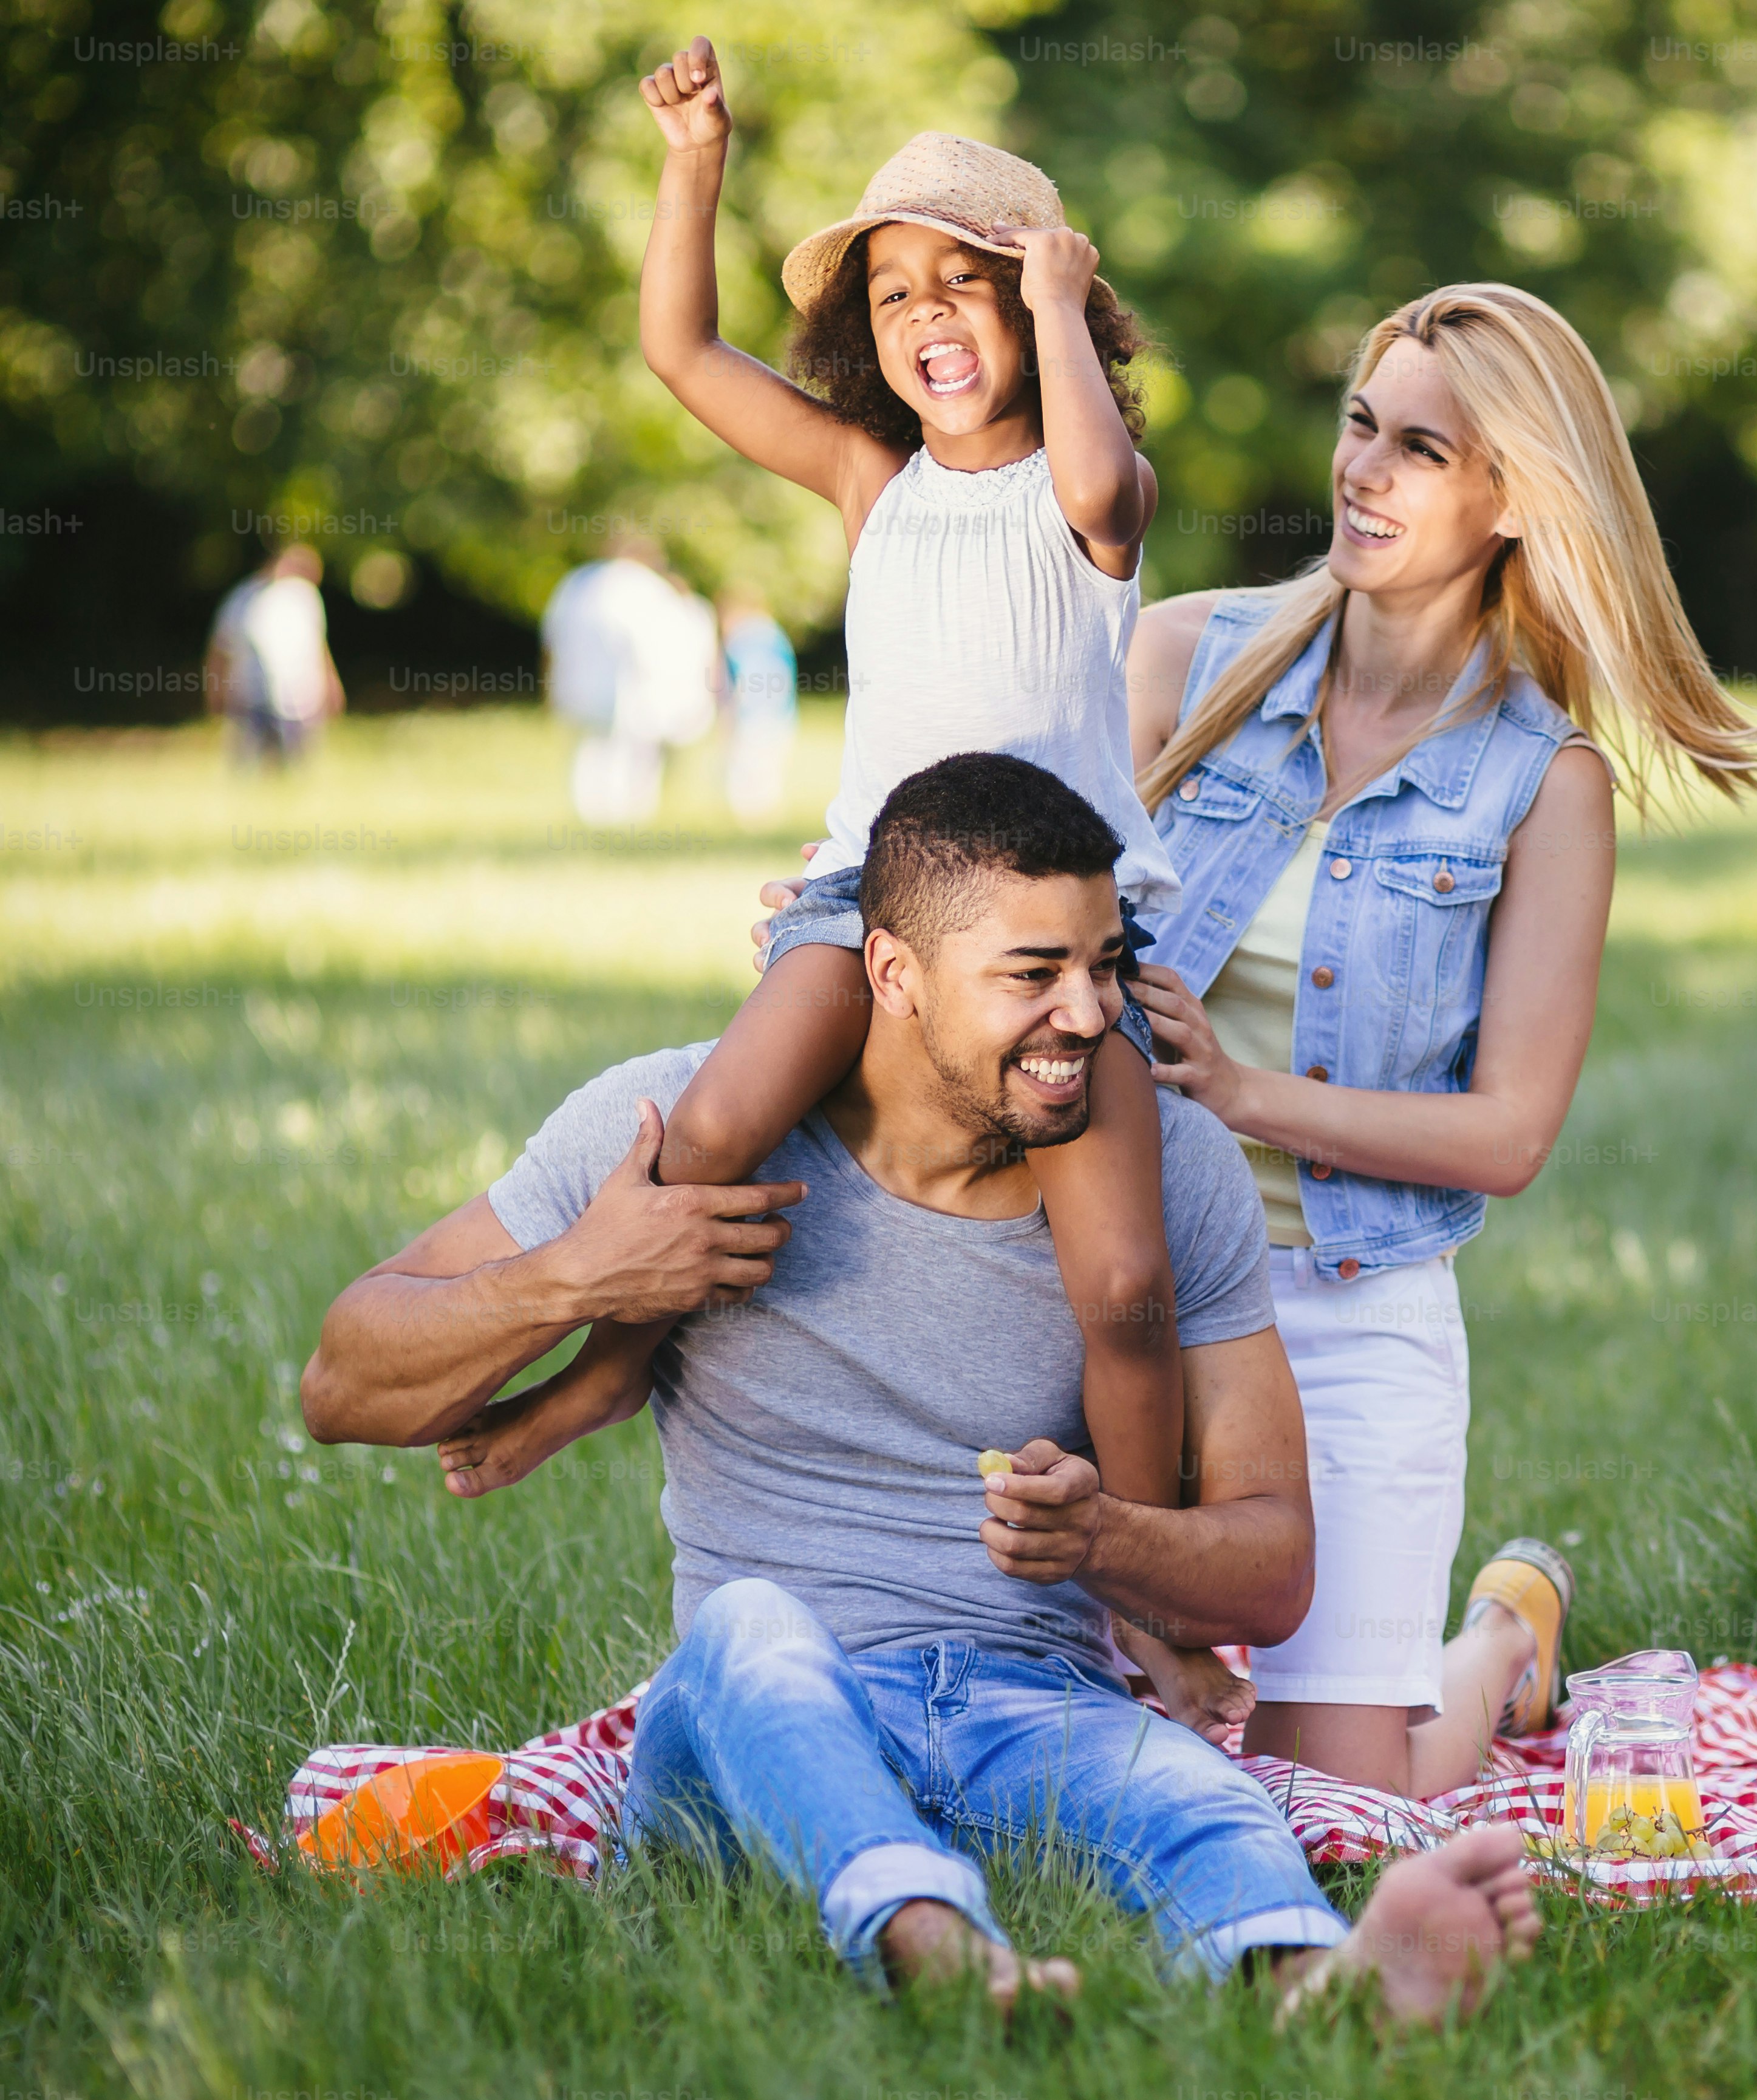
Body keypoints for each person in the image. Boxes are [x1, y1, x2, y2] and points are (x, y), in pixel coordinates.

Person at [296, 755, 1541, 2021]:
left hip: (1032, 1704)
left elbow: (1273, 1572)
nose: (1087, 1013)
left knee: (1188, 1788)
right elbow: (344, 1379)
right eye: (1032, 973)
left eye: (1104, 965)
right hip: (764, 1716)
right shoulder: (668, 1127)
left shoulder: (1175, 1169)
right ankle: (937, 1953)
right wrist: (575, 1276)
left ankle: (1316, 1977)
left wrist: (1106, 1536)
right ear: (892, 974)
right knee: (749, 1632)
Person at [455, 40, 1228, 1722]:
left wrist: (1065, 285)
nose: (933, 318)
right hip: (862, 906)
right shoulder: (871, 484)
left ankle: (1146, 1591)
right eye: (896, 296)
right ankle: (606, 1373)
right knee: (715, 1134)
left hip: (1060, 943)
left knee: (1123, 1285)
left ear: (1048, 311)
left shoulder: (1085, 493)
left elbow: (1100, 484)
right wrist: (694, 165)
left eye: (974, 283)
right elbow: (675, 346)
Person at [1113, 284, 1757, 1794]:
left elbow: (1509, 1137)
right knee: (1095, 1747)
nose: (1363, 471)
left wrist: (1246, 1092)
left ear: (1512, 498)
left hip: (1355, 1309)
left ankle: (1497, 1642)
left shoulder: (1541, 782)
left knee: (1337, 1799)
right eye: (1363, 423)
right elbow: (1006, 890)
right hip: (1126, 1297)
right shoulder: (1185, 662)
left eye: (1422, 449)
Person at [544, 536, 697, 827]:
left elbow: (552, 638)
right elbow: (662, 647)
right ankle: (626, 816)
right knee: (632, 754)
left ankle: (590, 816)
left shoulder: (578, 583)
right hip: (632, 689)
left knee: (588, 752)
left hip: (578, 686)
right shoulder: (645, 587)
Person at [205, 546, 342, 766]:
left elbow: (318, 645)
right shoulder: (242, 598)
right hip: (252, 695)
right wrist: (216, 689)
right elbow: (221, 649)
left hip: (300, 697)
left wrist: (331, 683)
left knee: (297, 762)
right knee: (253, 762)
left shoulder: (305, 598)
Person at [719, 584, 800, 820]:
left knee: (746, 780)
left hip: (754, 717)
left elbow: (748, 683)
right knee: (769, 779)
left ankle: (749, 824)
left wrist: (730, 716)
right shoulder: (775, 634)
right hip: (781, 716)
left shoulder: (744, 637)